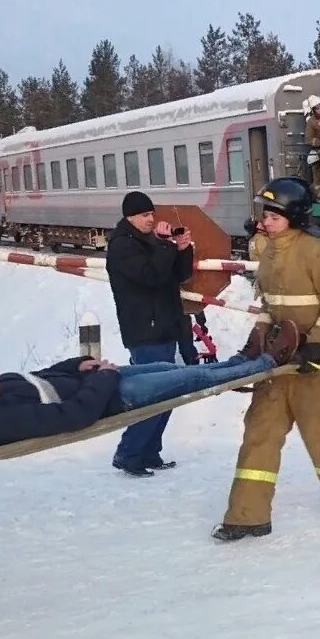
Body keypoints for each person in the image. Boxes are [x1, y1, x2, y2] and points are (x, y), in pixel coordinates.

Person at [0, 324, 298, 457]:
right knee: (190, 380)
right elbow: (71, 416)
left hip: (95, 381)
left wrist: (76, 365)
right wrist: (100, 379)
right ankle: (266, 364)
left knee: (181, 369)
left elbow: (27, 378)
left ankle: (242, 359)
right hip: (113, 398)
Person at [214, 176, 320, 542]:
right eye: (266, 214)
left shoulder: (316, 250)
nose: (266, 221)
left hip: (312, 362)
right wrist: (256, 340)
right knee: (259, 431)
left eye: (274, 215)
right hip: (277, 361)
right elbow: (270, 306)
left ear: (293, 216)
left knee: (319, 432)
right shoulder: (269, 251)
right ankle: (247, 515)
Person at [105, 191, 195, 477]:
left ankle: (149, 451)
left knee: (165, 394)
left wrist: (182, 249)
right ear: (130, 216)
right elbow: (150, 276)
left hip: (164, 325)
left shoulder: (149, 243)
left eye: (151, 213)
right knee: (151, 397)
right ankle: (129, 453)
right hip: (145, 329)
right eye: (145, 215)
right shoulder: (122, 247)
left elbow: (175, 276)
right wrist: (164, 245)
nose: (151, 219)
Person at [304, 95, 320, 201]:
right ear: (313, 110)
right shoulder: (311, 122)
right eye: (317, 108)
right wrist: (319, 143)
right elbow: (308, 139)